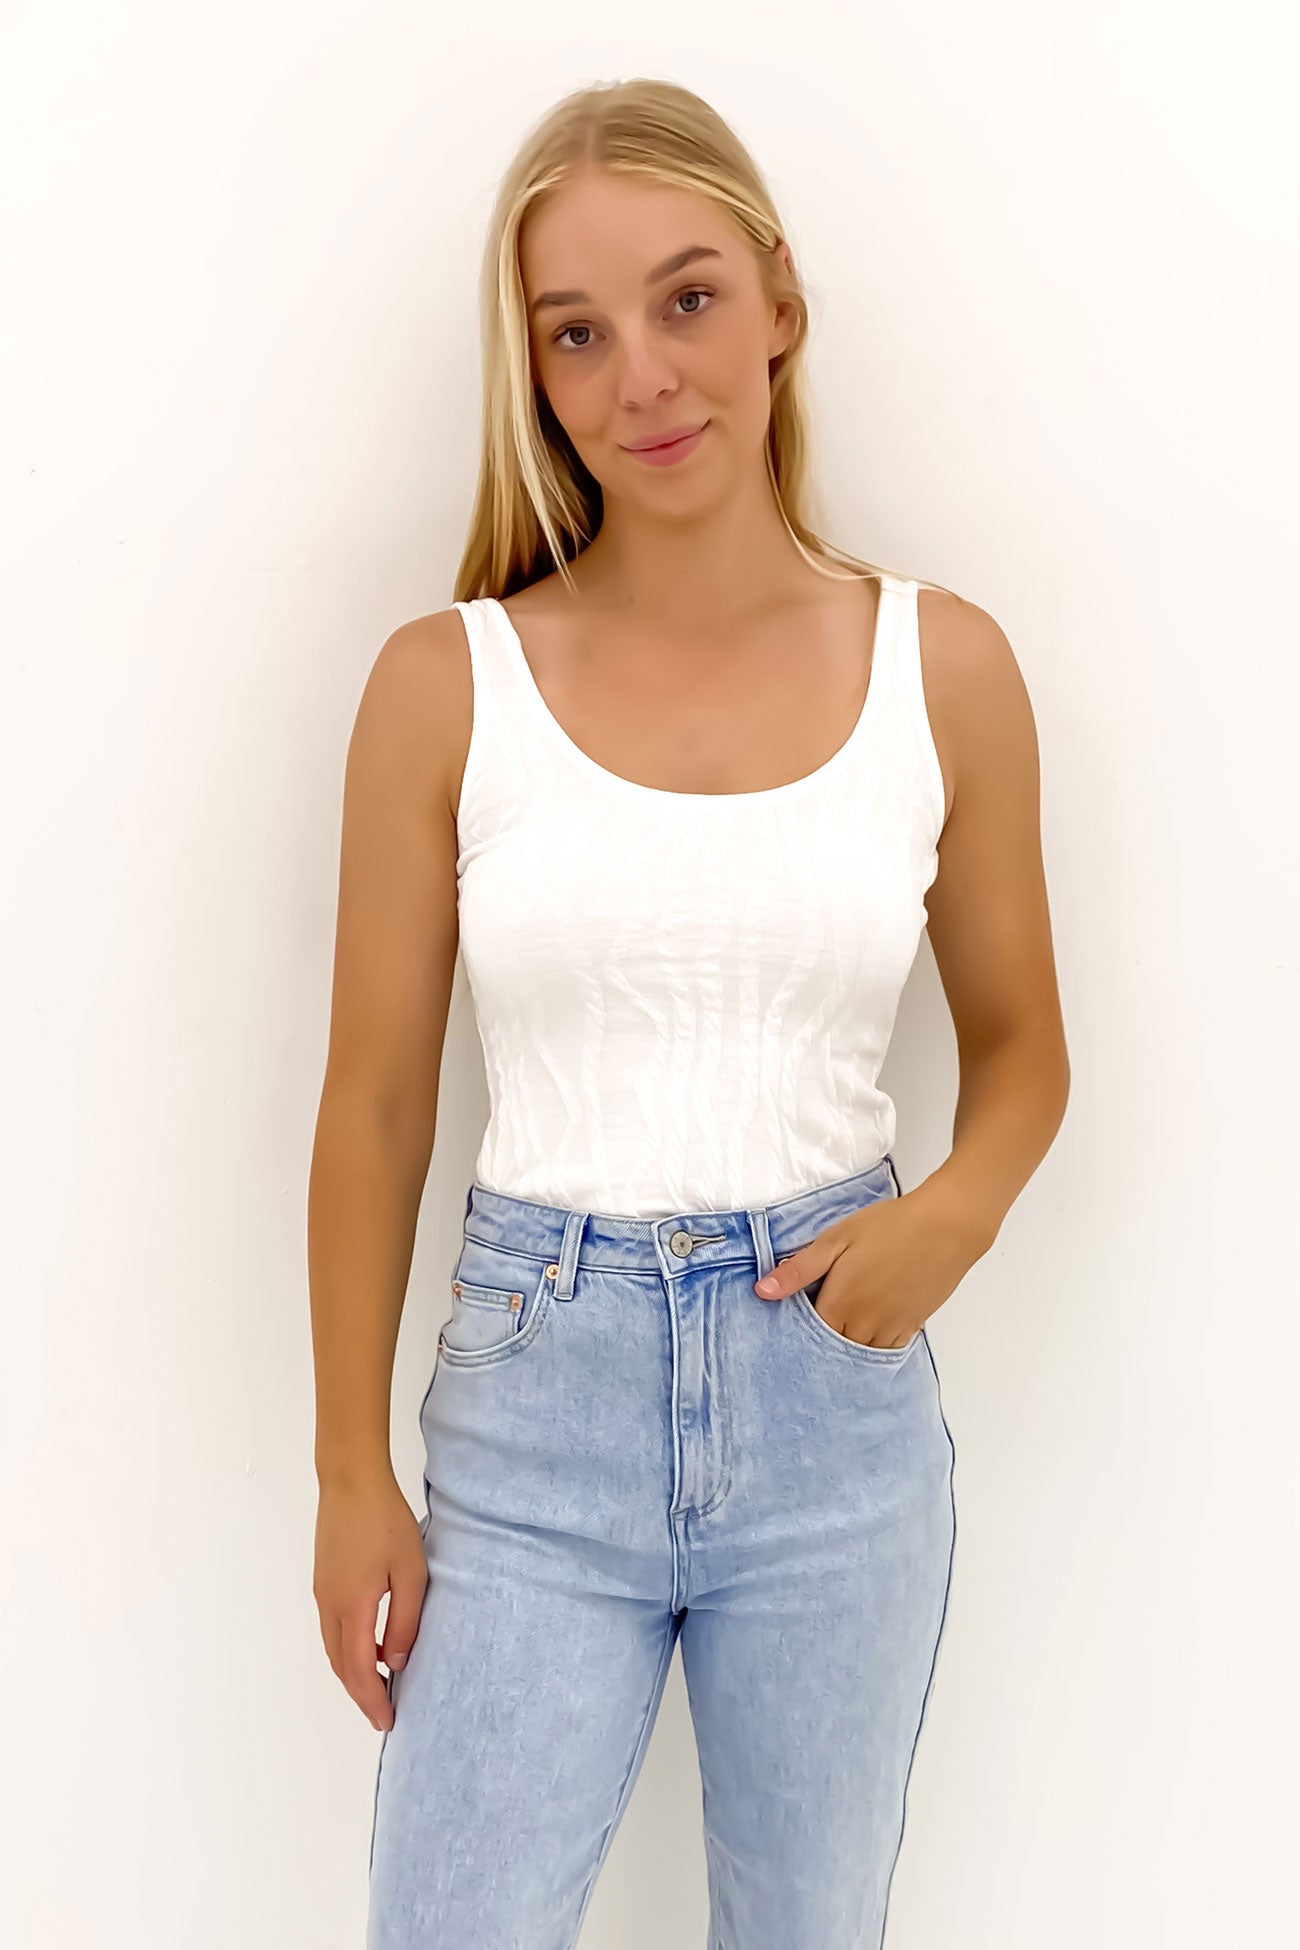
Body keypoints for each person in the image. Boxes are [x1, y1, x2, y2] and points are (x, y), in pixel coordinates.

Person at [308, 77, 1070, 1950]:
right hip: (535, 1399)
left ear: (781, 303)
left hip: (832, 1403)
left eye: (688, 299)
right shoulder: (447, 685)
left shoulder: (943, 669)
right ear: (535, 371)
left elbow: (1025, 1049)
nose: (640, 375)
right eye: (575, 332)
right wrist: (348, 1473)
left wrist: (951, 1216)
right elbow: (377, 1104)